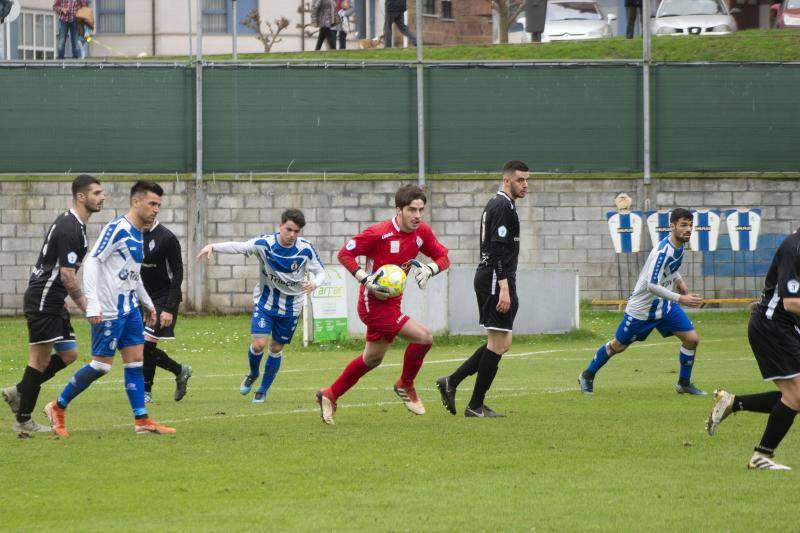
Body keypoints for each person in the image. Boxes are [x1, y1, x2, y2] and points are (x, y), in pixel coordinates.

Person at [43, 181, 176, 436]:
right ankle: (57, 406)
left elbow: (132, 275)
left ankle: (142, 420)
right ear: (135, 202)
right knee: (101, 365)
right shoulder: (117, 228)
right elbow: (93, 261)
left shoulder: (139, 233)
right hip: (109, 310)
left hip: (130, 310)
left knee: (136, 361)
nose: (156, 209)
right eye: (152, 203)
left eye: (159, 205)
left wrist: (146, 302)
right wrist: (92, 303)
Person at [316, 184, 450, 425]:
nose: (417, 215)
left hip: (392, 305)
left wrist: (431, 268)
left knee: (372, 359)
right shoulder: (378, 233)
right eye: (411, 210)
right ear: (398, 210)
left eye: (421, 210)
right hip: (372, 304)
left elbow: (443, 257)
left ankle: (330, 394)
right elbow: (344, 254)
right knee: (424, 337)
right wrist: (364, 278)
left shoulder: (422, 233)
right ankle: (405, 385)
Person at [2, 175, 104, 435]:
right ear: (81, 197)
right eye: (96, 193)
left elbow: (54, 268)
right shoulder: (70, 227)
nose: (102, 197)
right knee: (38, 361)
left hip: (53, 300)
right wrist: (86, 305)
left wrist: (64, 300)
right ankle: (23, 419)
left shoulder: (75, 225)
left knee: (69, 353)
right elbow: (67, 275)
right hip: (44, 301)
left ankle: (19, 391)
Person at [196, 209, 327, 404]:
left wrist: (315, 283)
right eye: (289, 229)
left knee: (275, 348)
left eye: (296, 231)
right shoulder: (264, 244)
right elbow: (238, 247)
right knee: (258, 344)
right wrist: (213, 246)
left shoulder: (305, 249)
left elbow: (322, 272)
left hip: (291, 308)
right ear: (280, 226)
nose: (292, 235)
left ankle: (263, 389)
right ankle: (253, 373)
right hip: (266, 302)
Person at [577, 208, 707, 396]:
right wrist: (682, 298)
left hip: (665, 306)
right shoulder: (662, 252)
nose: (688, 229)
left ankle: (683, 383)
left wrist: (679, 280)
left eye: (690, 226)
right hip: (642, 309)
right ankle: (587, 375)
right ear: (672, 226)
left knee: (691, 339)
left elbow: (670, 268)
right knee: (618, 346)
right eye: (683, 225)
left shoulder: (679, 245)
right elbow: (651, 285)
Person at [435, 160, 529, 418]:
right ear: (506, 180)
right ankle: (474, 404)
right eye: (520, 180)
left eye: (527, 180)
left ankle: (452, 382)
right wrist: (504, 286)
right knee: (499, 344)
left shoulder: (506, 205)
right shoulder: (501, 205)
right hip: (495, 280)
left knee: (501, 343)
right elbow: (497, 249)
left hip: (498, 278)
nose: (525, 185)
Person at [706, 227, 800, 470]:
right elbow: (791, 302)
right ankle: (761, 456)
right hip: (773, 327)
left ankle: (734, 402)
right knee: (796, 395)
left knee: (794, 395)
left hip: (785, 327)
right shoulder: (795, 247)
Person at [141, 219, 192, 403]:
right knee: (141, 347)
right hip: (141, 297)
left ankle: (146, 392)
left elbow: (178, 273)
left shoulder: (167, 238)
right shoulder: (132, 233)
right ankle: (180, 370)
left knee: (147, 345)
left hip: (164, 298)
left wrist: (169, 308)